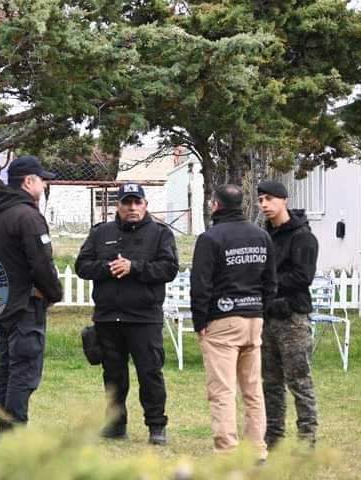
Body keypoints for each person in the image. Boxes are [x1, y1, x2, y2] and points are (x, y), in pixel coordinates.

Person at [75, 183, 178, 444]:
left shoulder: (160, 234)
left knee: (150, 373)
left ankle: (156, 426)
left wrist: (134, 267)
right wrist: (108, 268)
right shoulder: (100, 233)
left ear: (145, 204)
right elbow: (82, 266)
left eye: (137, 202)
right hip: (108, 316)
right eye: (126, 203)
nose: (132, 207)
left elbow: (168, 268)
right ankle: (116, 424)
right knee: (113, 375)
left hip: (144, 317)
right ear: (117, 206)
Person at [190, 184, 277, 459]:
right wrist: (260, 310)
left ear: (215, 205)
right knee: (253, 391)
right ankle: (257, 450)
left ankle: (227, 452)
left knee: (222, 391)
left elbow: (200, 284)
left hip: (222, 320)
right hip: (254, 318)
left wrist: (199, 321)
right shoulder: (262, 236)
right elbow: (270, 282)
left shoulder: (211, 238)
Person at [0, 155, 63, 432]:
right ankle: (15, 428)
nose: (44, 185)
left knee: (7, 368)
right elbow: (41, 263)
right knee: (24, 370)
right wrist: (55, 293)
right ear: (29, 181)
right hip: (25, 304)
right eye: (41, 180)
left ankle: (3, 423)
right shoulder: (28, 216)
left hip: (3, 302)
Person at [257, 180, 319, 448]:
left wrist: (267, 283)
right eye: (260, 200)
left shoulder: (302, 236)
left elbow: (302, 276)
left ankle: (307, 438)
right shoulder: (264, 235)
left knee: (299, 380)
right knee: (270, 382)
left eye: (269, 199)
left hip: (293, 317)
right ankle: (274, 436)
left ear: (284, 200)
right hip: (268, 316)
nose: (264, 205)